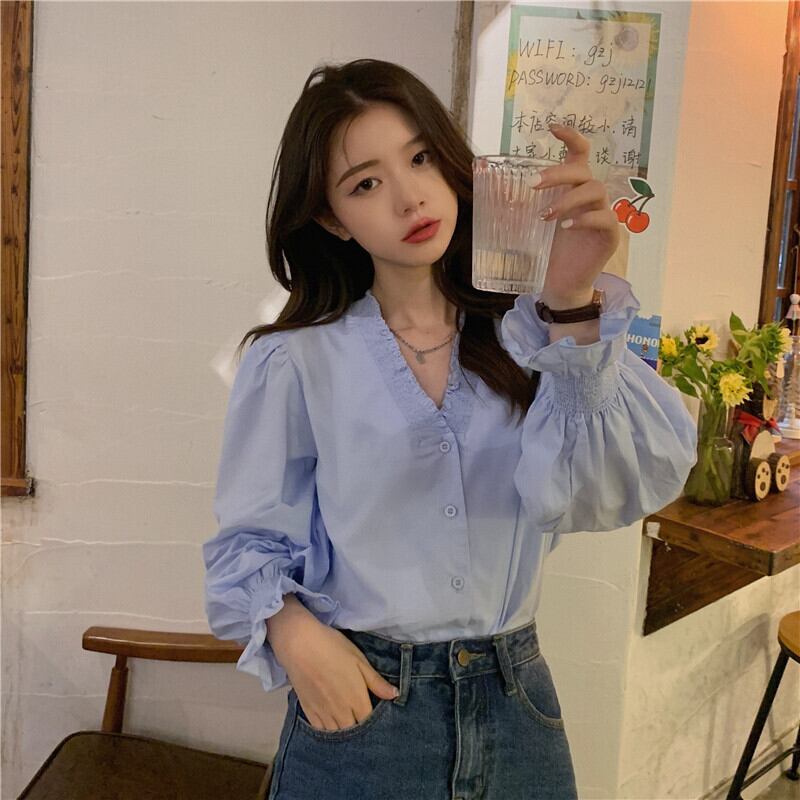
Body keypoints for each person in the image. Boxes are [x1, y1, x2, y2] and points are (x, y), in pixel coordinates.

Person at [202, 59, 697, 800]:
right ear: (333, 219)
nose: (409, 197)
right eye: (365, 184)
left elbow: (598, 496)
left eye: (421, 158)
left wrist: (570, 299)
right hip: (367, 711)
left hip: (516, 705)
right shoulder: (295, 361)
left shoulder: (531, 337)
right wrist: (295, 637)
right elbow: (248, 541)